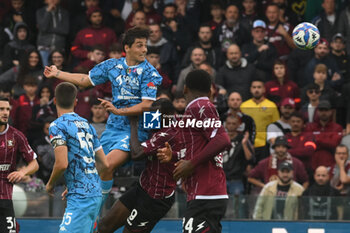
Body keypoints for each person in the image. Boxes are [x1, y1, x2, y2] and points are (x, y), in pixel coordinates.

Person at [44, 26, 162, 212]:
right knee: (95, 167)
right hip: (113, 128)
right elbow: (84, 80)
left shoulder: (150, 73)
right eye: (140, 45)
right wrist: (58, 73)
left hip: (135, 130)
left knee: (107, 164)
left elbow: (148, 105)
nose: (145, 50)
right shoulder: (112, 65)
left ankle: (93, 208)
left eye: (145, 45)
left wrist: (120, 111)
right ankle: (89, 206)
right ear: (127, 47)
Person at [158, 70, 231, 233]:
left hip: (206, 192)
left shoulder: (201, 106)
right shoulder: (196, 109)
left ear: (184, 89)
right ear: (211, 90)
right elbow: (202, 147)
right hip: (205, 192)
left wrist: (191, 163)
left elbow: (222, 140)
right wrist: (175, 156)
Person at [98, 98, 179, 233]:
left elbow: (136, 154)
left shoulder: (168, 133)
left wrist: (134, 122)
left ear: (168, 115)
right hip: (143, 187)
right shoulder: (159, 122)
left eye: (157, 115)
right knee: (104, 227)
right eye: (152, 114)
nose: (153, 118)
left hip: (157, 197)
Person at [46, 82, 109, 233]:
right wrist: (79, 181)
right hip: (95, 193)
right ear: (75, 102)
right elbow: (104, 163)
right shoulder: (87, 125)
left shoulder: (57, 126)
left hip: (81, 198)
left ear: (54, 100)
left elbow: (61, 164)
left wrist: (50, 184)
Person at [0, 97, 39, 233]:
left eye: (7, 109)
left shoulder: (17, 136)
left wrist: (22, 172)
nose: (5, 112)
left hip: (5, 198)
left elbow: (34, 164)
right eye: (1, 109)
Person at [241, 79, 280, 162]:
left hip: (265, 144)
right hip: (248, 144)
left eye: (259, 87)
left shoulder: (271, 105)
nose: (256, 90)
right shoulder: (244, 106)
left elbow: (276, 126)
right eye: (254, 87)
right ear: (250, 89)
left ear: (264, 89)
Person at [305, 100, 343, 170]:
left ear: (331, 112)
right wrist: (327, 139)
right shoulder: (310, 127)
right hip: (312, 164)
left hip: (330, 164)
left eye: (326, 110)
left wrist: (316, 139)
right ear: (317, 112)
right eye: (321, 110)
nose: (323, 113)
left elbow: (334, 144)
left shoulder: (337, 127)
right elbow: (308, 145)